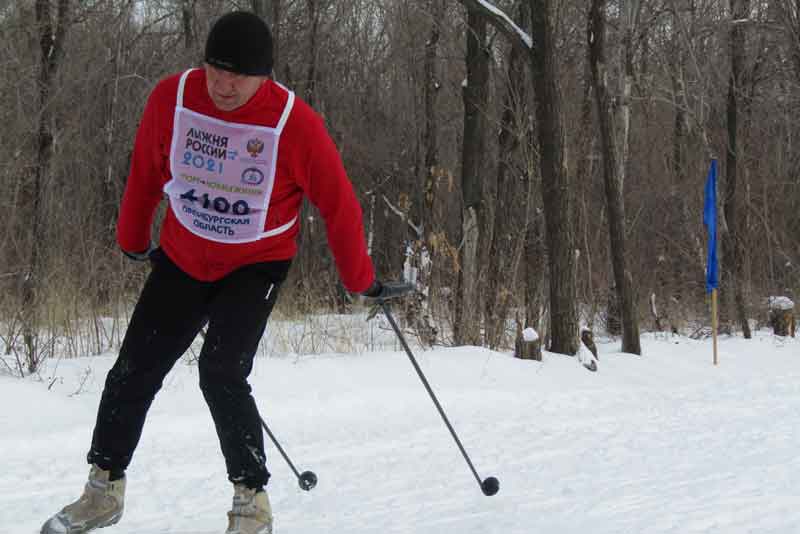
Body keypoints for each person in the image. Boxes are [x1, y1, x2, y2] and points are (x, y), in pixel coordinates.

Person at [41, 11, 393, 534]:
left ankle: (251, 503)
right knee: (134, 368)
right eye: (215, 70)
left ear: (265, 76)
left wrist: (359, 278)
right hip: (185, 255)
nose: (224, 84)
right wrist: (133, 240)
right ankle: (103, 490)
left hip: (256, 263)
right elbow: (146, 168)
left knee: (221, 371)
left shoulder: (294, 124)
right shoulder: (174, 98)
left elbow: (339, 205)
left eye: (239, 75)